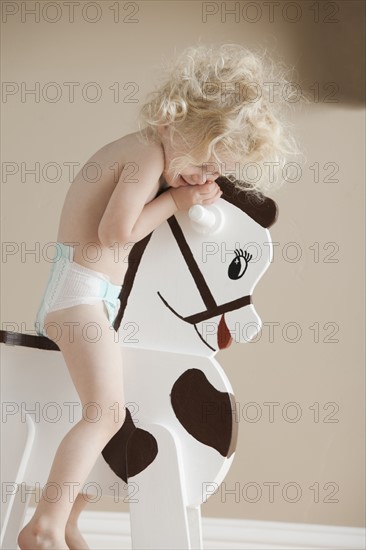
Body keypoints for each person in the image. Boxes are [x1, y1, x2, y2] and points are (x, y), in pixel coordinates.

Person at [18, 43, 300, 549]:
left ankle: (71, 521)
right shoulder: (146, 152)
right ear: (178, 122)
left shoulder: (148, 153)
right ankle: (43, 524)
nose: (205, 178)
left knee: (112, 412)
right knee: (104, 413)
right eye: (207, 162)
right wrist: (178, 199)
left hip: (90, 297)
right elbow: (115, 233)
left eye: (216, 173)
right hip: (79, 298)